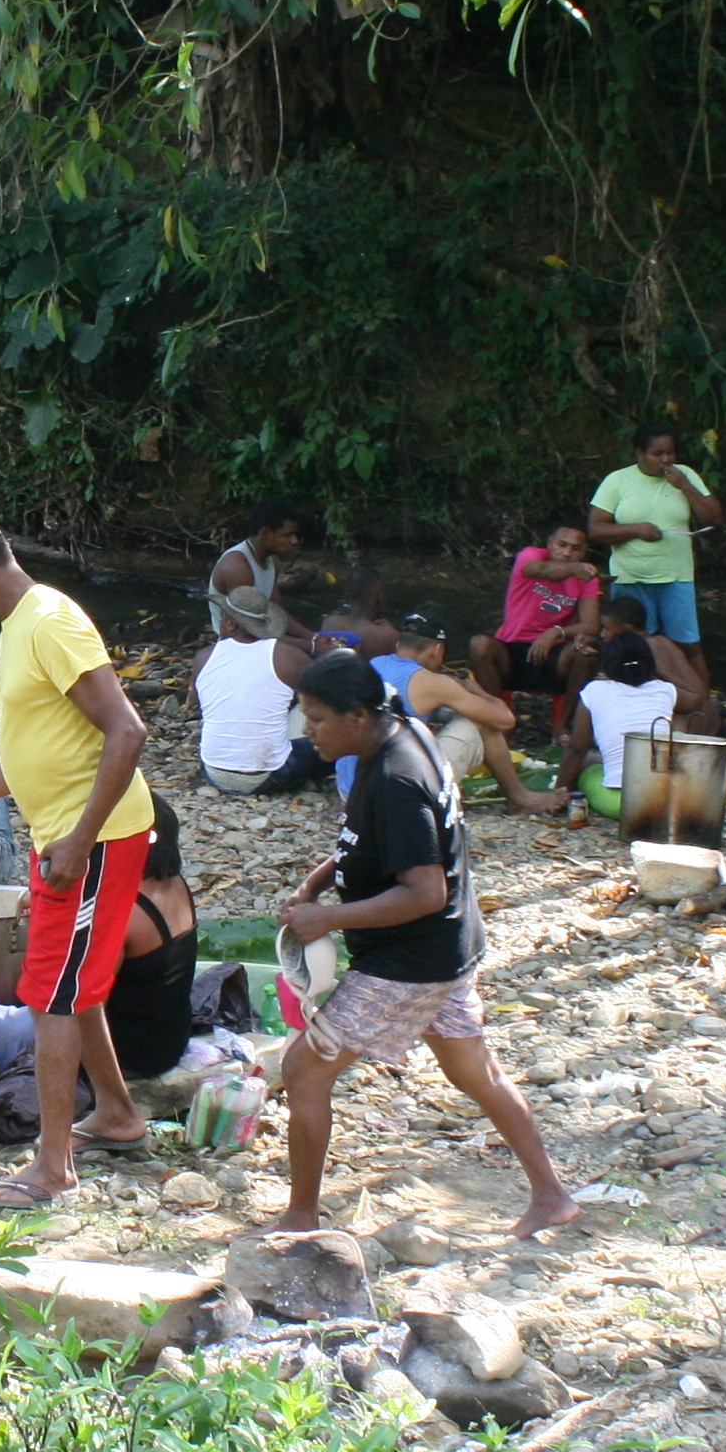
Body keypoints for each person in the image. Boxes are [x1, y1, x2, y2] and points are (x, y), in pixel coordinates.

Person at [274, 652, 575, 1239]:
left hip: (409, 961)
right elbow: (369, 842)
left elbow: (425, 890)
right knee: (475, 1071)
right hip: (450, 948)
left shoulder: (396, 779)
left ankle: (301, 1216)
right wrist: (320, 879)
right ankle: (552, 1195)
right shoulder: (400, 731)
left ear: (359, 715)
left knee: (304, 1071)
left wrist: (327, 920)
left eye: (316, 719)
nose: (307, 732)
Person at [0, 511, 157, 1206]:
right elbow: (41, 745)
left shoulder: (48, 621)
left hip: (92, 841)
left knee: (47, 991)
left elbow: (126, 730)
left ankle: (51, 1168)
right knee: (72, 985)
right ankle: (115, 1113)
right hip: (66, 835)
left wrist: (79, 839)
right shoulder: (21, 624)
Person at [587, 421, 722, 724]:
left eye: (670, 453)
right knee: (629, 642)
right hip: (631, 577)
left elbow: (714, 517)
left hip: (676, 576)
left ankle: (705, 710)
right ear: (639, 453)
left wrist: (684, 486)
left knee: (687, 645)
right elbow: (596, 529)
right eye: (657, 454)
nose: (665, 460)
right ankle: (631, 706)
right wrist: (636, 530)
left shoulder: (685, 476)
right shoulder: (618, 481)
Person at [373, 612, 565, 816]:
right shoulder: (434, 682)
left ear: (398, 645)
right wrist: (476, 691)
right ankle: (519, 799)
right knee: (483, 721)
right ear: (437, 650)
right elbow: (505, 719)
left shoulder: (373, 665)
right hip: (398, 794)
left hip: (356, 790)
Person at [105, 796, 205, 1082]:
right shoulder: (176, 885)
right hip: (170, 1043)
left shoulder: (125, 911)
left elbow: (85, 1005)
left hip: (127, 1056)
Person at [470, 520, 601, 712]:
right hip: (513, 650)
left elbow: (591, 626)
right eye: (561, 545)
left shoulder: (587, 578)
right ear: (549, 543)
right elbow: (544, 571)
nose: (567, 553)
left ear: (584, 552)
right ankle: (498, 720)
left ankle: (565, 728)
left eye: (576, 549)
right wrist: (574, 568)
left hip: (554, 653)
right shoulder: (530, 556)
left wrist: (555, 633)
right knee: (479, 645)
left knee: (586, 653)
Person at [571, 630, 678, 822]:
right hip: (667, 801)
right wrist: (659, 671)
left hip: (623, 804)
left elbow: (576, 749)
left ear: (606, 665)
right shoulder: (665, 690)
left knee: (587, 765)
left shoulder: (594, 690)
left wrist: (558, 791)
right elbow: (695, 699)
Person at [193, 618, 305, 797]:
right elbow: (321, 696)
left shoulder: (204, 656)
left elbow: (204, 706)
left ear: (231, 624)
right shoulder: (289, 655)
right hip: (271, 777)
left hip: (213, 772)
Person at [209, 501, 313, 641]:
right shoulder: (237, 567)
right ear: (265, 534)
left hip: (259, 636)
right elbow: (250, 629)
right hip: (237, 642)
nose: (295, 541)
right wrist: (310, 646)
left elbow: (276, 613)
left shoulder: (272, 561)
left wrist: (314, 638)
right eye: (287, 535)